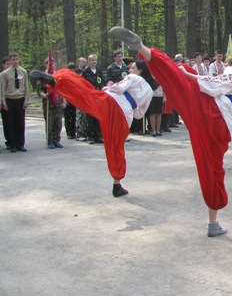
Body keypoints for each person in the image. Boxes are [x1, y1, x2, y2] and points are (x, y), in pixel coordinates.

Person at [110, 26, 232, 237]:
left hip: (211, 113)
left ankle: (146, 50)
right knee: (212, 170)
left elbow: (215, 82)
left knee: (179, 76)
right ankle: (213, 223)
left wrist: (188, 76)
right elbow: (226, 87)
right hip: (219, 128)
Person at [30, 59, 154, 197]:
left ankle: (58, 80)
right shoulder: (149, 91)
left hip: (112, 102)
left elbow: (119, 88)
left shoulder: (133, 77)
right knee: (116, 147)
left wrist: (108, 87)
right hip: (125, 116)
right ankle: (117, 183)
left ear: (140, 71)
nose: (130, 70)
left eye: (133, 68)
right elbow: (139, 114)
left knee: (86, 94)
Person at [0, 52, 30, 153]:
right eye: (13, 60)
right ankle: (12, 145)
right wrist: (3, 102)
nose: (15, 61)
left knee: (20, 123)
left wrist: (26, 100)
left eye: (17, 59)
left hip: (20, 99)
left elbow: (26, 87)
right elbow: (3, 89)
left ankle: (20, 144)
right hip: (10, 99)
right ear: (10, 60)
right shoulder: (5, 74)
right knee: (10, 123)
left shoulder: (23, 72)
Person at [35, 58, 66, 149]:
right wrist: (43, 95)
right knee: (49, 123)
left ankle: (57, 140)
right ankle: (50, 141)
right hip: (48, 103)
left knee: (58, 123)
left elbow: (62, 90)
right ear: (44, 64)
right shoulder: (42, 76)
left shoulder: (58, 75)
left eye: (52, 62)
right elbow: (39, 89)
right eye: (47, 63)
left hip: (58, 103)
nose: (50, 64)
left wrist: (64, 101)